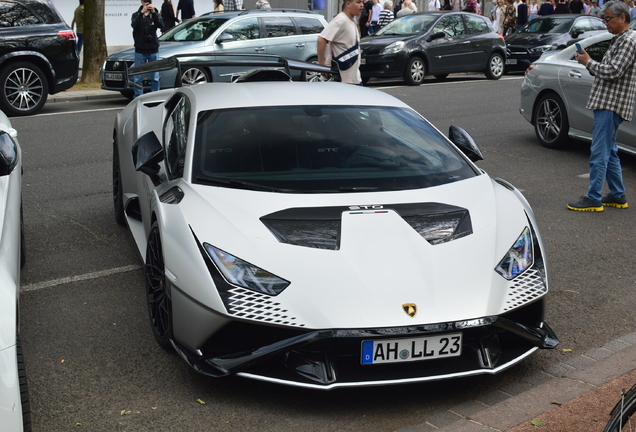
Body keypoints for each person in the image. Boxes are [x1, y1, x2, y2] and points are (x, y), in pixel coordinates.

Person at [568, 0, 636, 211]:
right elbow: (607, 68)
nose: (605, 23)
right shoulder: (621, 39)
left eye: (608, 19)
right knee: (610, 150)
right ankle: (617, 194)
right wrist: (588, 62)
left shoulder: (629, 40)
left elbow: (613, 71)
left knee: (599, 151)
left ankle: (593, 197)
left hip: (610, 103)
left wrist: (588, 62)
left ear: (622, 18)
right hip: (609, 102)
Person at [317, 0, 364, 85]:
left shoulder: (351, 21)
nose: (362, 5)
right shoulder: (340, 20)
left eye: (362, 2)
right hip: (342, 79)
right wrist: (322, 66)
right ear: (348, 4)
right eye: (358, 2)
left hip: (353, 78)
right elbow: (321, 39)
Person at [131, 0, 164, 98]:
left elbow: (161, 25)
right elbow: (134, 25)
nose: (147, 3)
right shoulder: (136, 15)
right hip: (140, 49)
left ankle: (155, 96)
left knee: (155, 77)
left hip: (153, 49)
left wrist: (153, 12)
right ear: (141, 2)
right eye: (145, 1)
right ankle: (138, 96)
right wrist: (142, 13)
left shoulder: (155, 14)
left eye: (149, 1)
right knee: (138, 77)